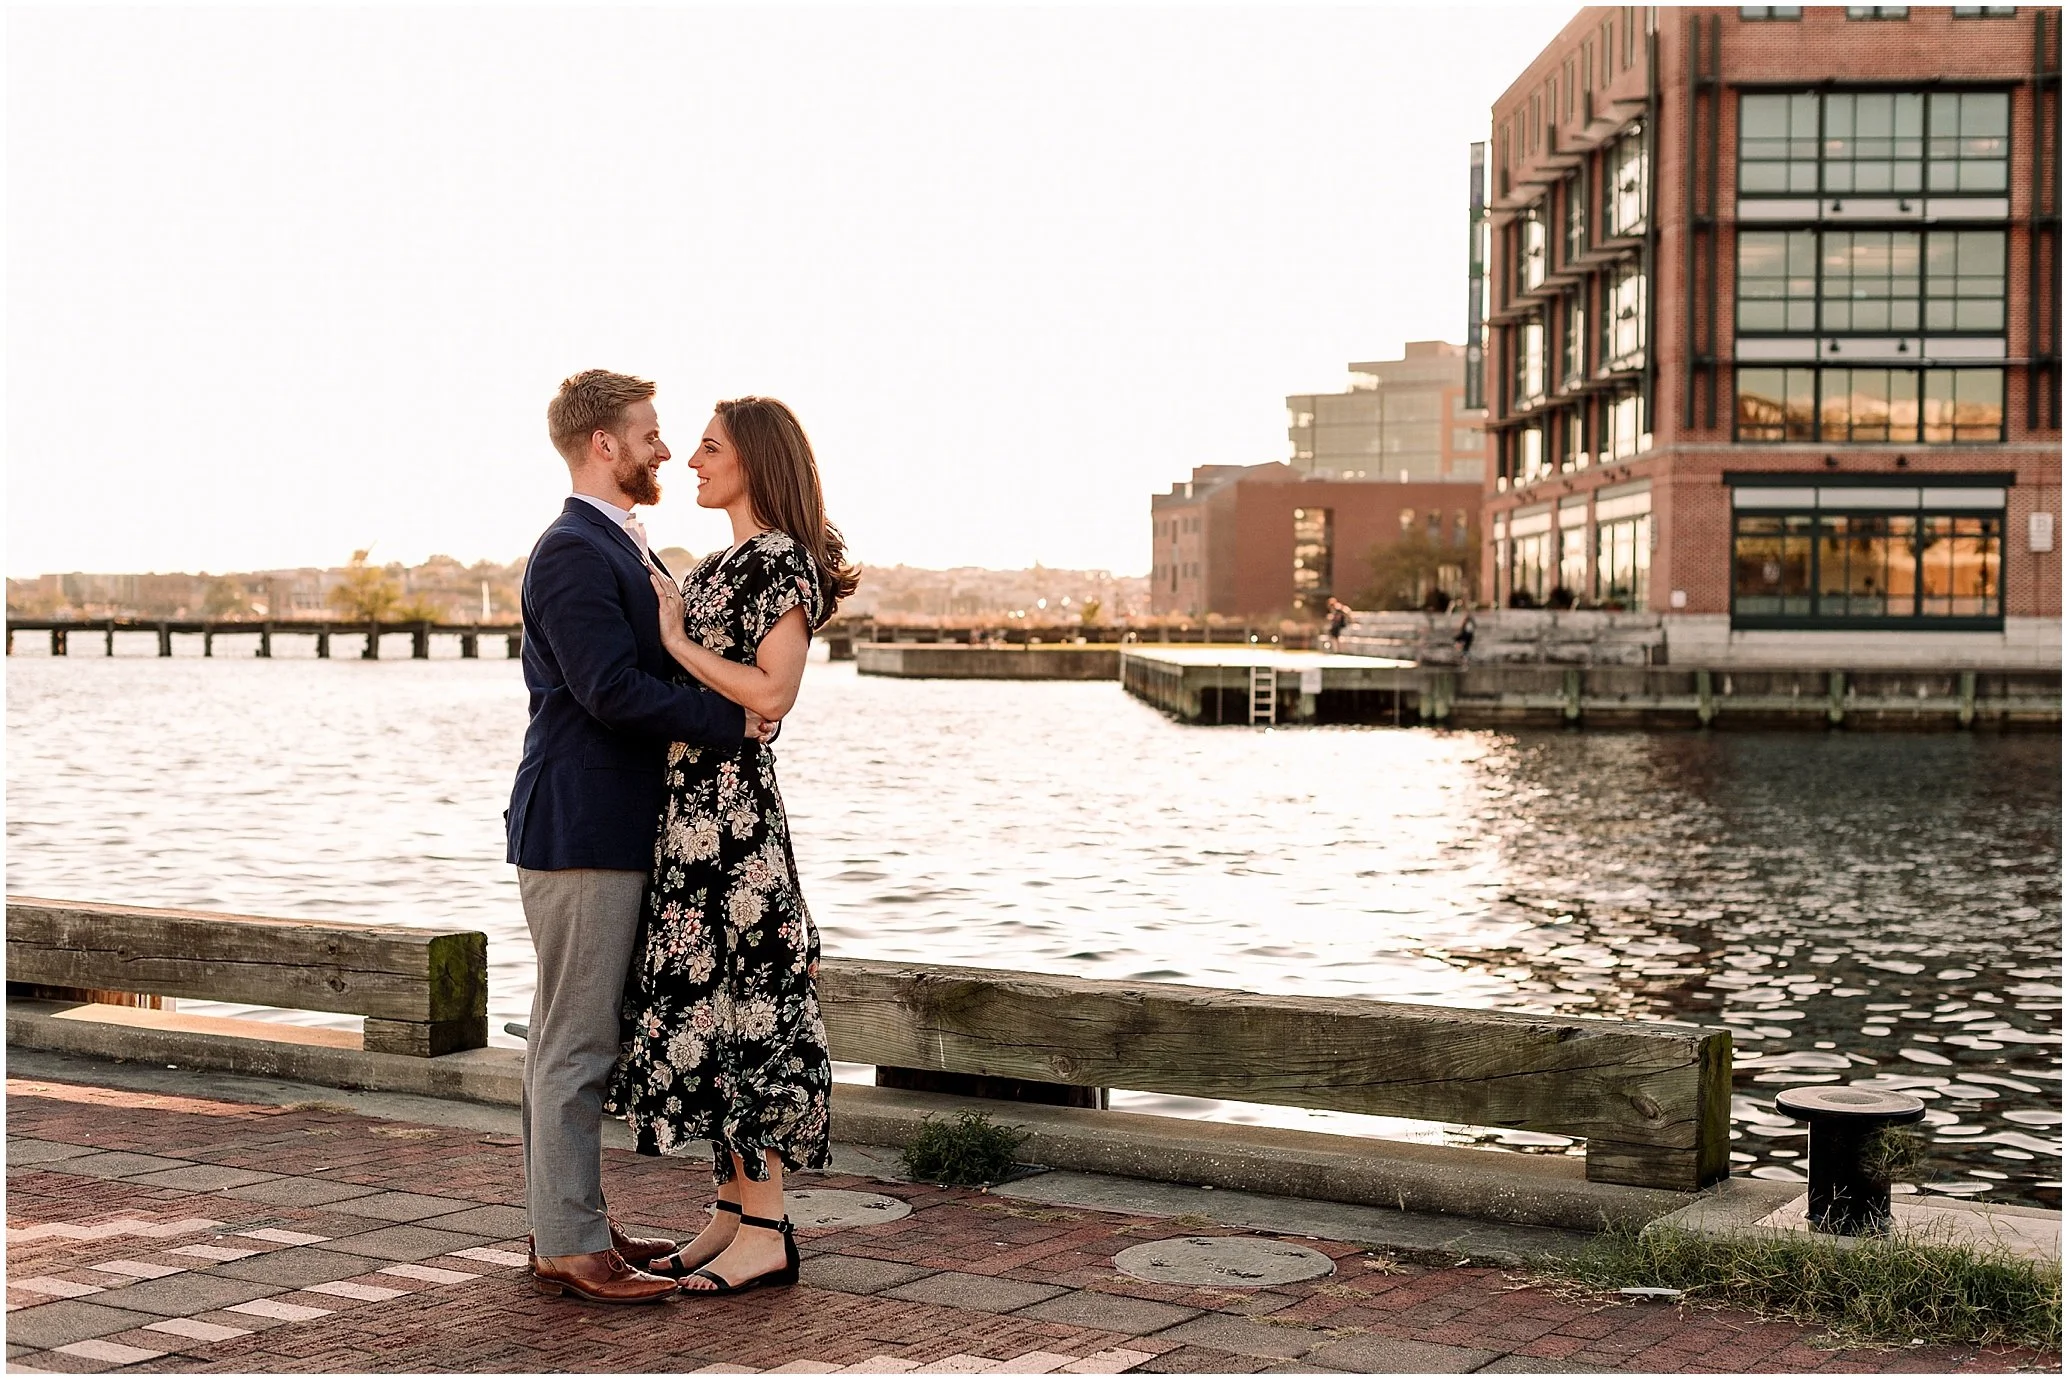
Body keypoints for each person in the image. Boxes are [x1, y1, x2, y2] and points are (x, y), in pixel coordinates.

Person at [509, 370, 775, 1306]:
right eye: (651, 434)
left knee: (566, 1040)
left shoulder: (620, 543)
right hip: (582, 826)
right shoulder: (574, 552)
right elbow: (607, 692)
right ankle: (571, 1245)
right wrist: (729, 720)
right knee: (576, 1045)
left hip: (605, 825)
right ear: (603, 446)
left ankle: (565, 1221)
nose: (665, 449)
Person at [606, 396, 859, 1298]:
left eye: (710, 448)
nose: (693, 461)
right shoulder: (715, 564)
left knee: (750, 1010)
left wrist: (676, 638)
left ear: (755, 459)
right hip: (690, 819)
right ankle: (729, 1216)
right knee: (707, 1014)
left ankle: (767, 1228)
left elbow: (774, 692)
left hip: (735, 830)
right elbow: (733, 696)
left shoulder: (779, 560)